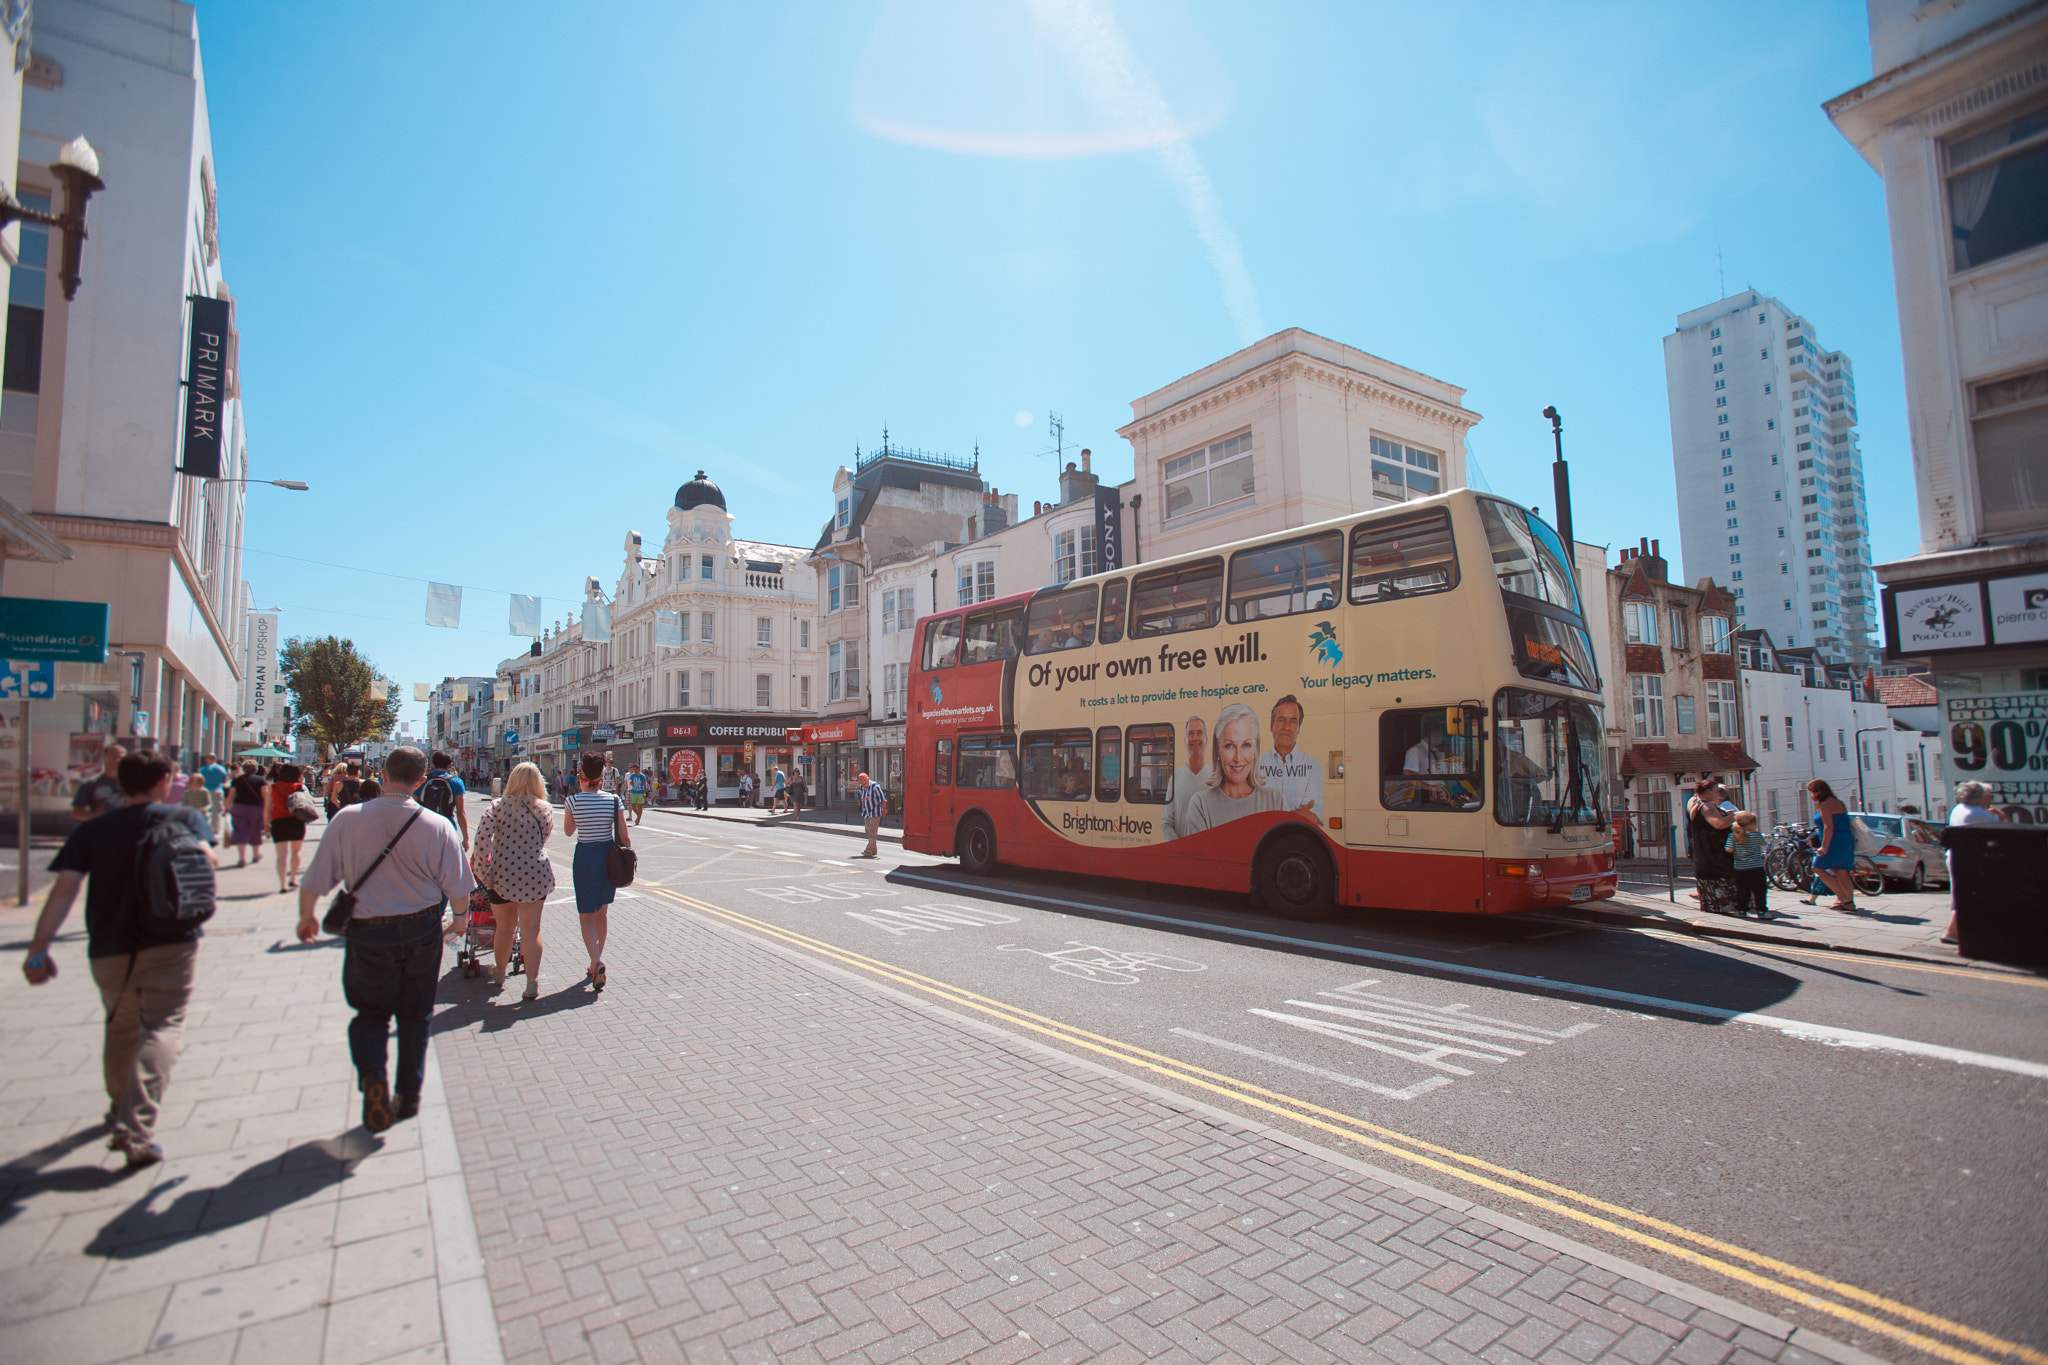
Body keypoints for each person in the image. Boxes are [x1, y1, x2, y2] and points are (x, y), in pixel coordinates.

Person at [24, 751, 218, 1167]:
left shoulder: (93, 830)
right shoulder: (185, 819)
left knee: (121, 1026)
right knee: (163, 1028)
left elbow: (65, 890)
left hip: (110, 944)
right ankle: (137, 1127)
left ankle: (118, 1110)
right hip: (173, 938)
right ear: (165, 780)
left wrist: (39, 946)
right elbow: (208, 861)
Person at [296, 746, 474, 1132]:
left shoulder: (348, 819)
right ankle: (407, 1096)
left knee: (371, 1012)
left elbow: (316, 878)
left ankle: (373, 1074)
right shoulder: (437, 825)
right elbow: (460, 887)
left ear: (383, 774)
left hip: (367, 930)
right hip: (421, 928)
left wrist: (306, 915)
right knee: (415, 1017)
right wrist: (459, 921)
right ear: (421, 781)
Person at [474, 762, 556, 998]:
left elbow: (481, 842)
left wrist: (483, 873)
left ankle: (500, 972)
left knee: (505, 928)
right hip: (535, 872)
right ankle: (532, 983)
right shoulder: (545, 808)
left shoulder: (497, 806)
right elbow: (545, 838)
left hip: (503, 873)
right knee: (531, 929)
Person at [563, 750, 630, 991]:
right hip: (607, 858)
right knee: (602, 914)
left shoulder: (572, 801)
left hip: (585, 856)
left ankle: (595, 961)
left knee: (585, 916)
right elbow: (624, 835)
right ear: (603, 775)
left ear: (581, 775)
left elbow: (569, 832)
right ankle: (596, 961)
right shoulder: (614, 801)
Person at [1185, 703, 1288, 833]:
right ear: (1218, 749)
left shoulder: (1275, 801)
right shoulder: (1201, 805)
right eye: (1229, 746)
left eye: (1246, 745)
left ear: (1255, 749)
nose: (1238, 758)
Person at [1942, 780, 2002, 945]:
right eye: (1989, 796)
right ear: (1980, 797)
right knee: (1969, 895)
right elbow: (2003, 833)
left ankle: (1955, 932)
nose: (1990, 799)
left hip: (1954, 856)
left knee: (1961, 894)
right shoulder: (1981, 814)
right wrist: (2001, 816)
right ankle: (1953, 933)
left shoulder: (1958, 809)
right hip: (1971, 860)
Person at [1256, 695, 1324, 825]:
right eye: (1281, 720)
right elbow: (1251, 818)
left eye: (1293, 721)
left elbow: (1312, 819)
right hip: (1263, 844)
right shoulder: (1254, 766)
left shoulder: (1312, 767)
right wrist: (1297, 815)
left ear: (1298, 728)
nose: (1286, 727)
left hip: (1298, 843)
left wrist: (1270, 818)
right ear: (1271, 726)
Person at [1686, 777, 1738, 915]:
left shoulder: (1693, 801)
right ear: (1708, 791)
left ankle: (1714, 907)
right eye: (1716, 790)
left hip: (1702, 852)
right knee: (1720, 888)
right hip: (1713, 854)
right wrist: (1735, 815)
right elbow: (1719, 823)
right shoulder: (1707, 806)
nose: (1718, 793)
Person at [1807, 778, 1859, 912]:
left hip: (1833, 841)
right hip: (1845, 839)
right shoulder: (1839, 802)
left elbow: (1828, 827)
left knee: (1817, 868)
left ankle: (1842, 897)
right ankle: (1849, 903)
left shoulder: (1825, 805)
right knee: (1841, 871)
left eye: (1811, 792)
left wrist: (1823, 846)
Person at [1162, 715, 1209, 840]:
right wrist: (1179, 849)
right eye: (1190, 733)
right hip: (1181, 857)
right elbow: (1166, 824)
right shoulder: (1175, 778)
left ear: (1206, 739)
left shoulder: (1215, 779)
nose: (1195, 738)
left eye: (1199, 733)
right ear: (1185, 740)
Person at [267, 762, 309, 892]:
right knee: (296, 852)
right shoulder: (299, 787)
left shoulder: (273, 787)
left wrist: (265, 824)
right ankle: (293, 879)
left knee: (281, 855)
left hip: (278, 821)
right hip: (296, 820)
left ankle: (283, 884)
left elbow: (267, 808)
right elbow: (310, 802)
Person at [418, 751, 470, 849]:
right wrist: (465, 838)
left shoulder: (422, 781)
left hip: (424, 829)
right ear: (450, 765)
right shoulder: (456, 782)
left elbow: (415, 806)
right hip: (447, 829)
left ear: (432, 763)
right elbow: (460, 812)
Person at [71, 743, 127, 821]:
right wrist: (104, 818)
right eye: (112, 756)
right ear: (104, 758)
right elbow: (77, 813)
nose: (116, 760)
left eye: (120, 757)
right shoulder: (90, 782)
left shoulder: (133, 783)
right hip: (100, 829)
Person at [226, 759, 267, 867]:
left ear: (243, 769)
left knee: (240, 831)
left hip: (239, 807)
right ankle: (255, 855)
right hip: (256, 809)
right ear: (256, 769)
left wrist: (227, 808)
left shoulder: (237, 780)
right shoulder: (261, 780)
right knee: (255, 831)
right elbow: (265, 796)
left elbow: (231, 796)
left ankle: (241, 858)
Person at [1729, 811, 1769, 919]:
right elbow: (1763, 844)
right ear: (1752, 824)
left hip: (1740, 867)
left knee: (1742, 890)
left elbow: (1729, 849)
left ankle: (1741, 910)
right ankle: (1761, 911)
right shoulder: (1756, 835)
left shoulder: (1733, 836)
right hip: (1756, 867)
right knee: (1760, 890)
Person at [856, 770, 887, 857]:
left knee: (872, 832)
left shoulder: (875, 786)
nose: (864, 783)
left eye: (865, 780)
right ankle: (874, 850)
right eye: (862, 781)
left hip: (875, 812)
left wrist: (884, 809)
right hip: (866, 812)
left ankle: (868, 851)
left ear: (868, 779)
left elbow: (882, 798)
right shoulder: (860, 788)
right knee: (867, 831)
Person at [199, 752, 229, 834]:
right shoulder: (221, 769)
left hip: (205, 791)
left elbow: (199, 780)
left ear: (206, 759)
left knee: (204, 809)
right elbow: (225, 780)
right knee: (216, 811)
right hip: (217, 790)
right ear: (215, 759)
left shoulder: (202, 769)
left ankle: (203, 827)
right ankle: (215, 828)